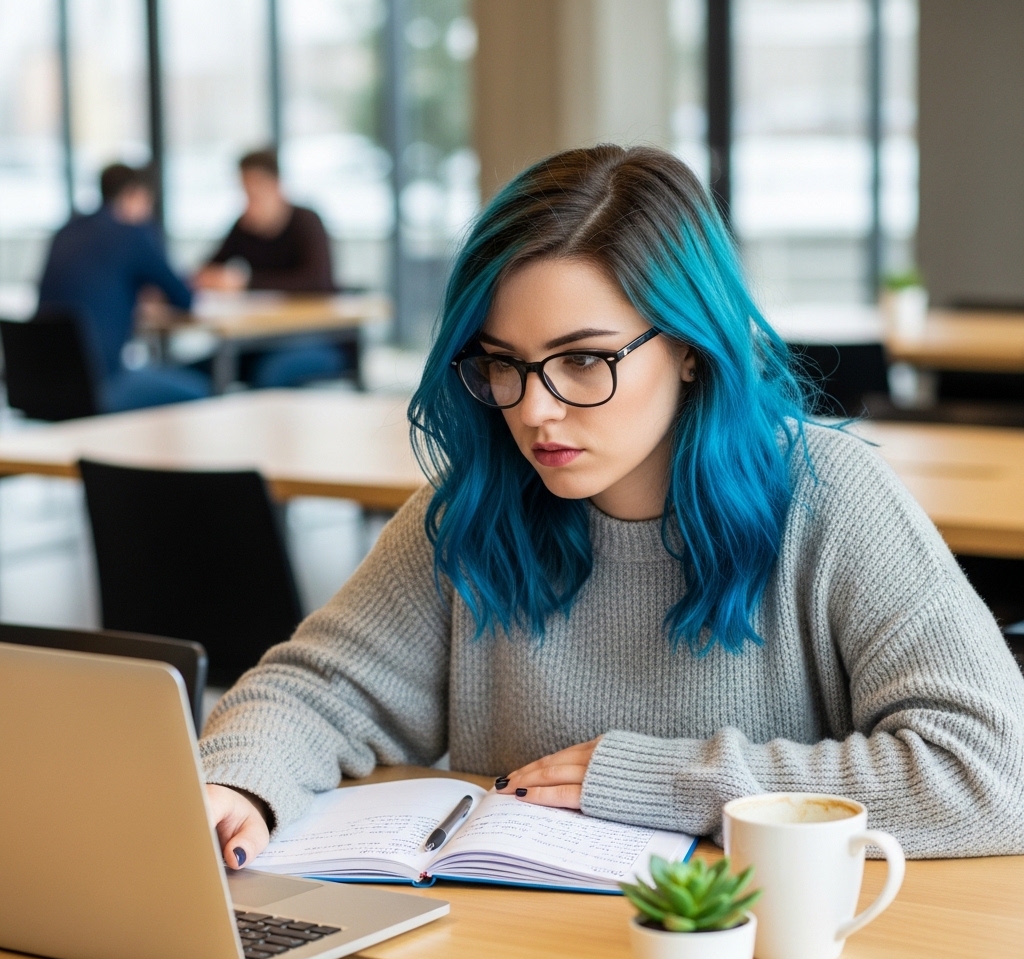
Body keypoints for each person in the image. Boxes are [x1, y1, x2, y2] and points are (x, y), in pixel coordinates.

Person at [201, 145, 1024, 870]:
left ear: (693, 348)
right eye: (503, 364)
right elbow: (319, 692)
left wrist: (661, 780)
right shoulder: (474, 509)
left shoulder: (834, 500)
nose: (533, 412)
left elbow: (994, 773)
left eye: (584, 360)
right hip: (517, 954)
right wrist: (238, 780)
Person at [36, 163, 211, 412]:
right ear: (133, 194)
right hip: (100, 384)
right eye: (146, 203)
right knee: (206, 392)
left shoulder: (66, 231)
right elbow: (184, 298)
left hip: (40, 382)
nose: (148, 213)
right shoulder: (131, 234)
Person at [194, 147, 344, 388]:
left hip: (315, 336)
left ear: (276, 186)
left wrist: (246, 283)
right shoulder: (244, 226)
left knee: (267, 375)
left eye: (256, 191)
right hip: (260, 337)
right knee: (200, 371)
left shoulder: (306, 222)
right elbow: (209, 268)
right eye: (246, 191)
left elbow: (318, 282)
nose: (250, 199)